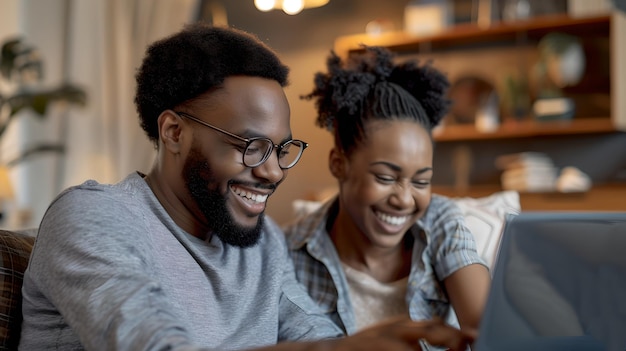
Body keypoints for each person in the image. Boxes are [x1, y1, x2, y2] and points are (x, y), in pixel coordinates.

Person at [19, 23, 473, 351]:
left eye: (281, 150)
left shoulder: (262, 244)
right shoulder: (92, 217)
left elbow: (316, 333)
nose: (274, 172)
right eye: (251, 146)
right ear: (174, 132)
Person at [283, 46, 491, 346]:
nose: (405, 200)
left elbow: (487, 330)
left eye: (421, 181)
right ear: (338, 164)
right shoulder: (290, 253)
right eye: (385, 177)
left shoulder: (440, 220)